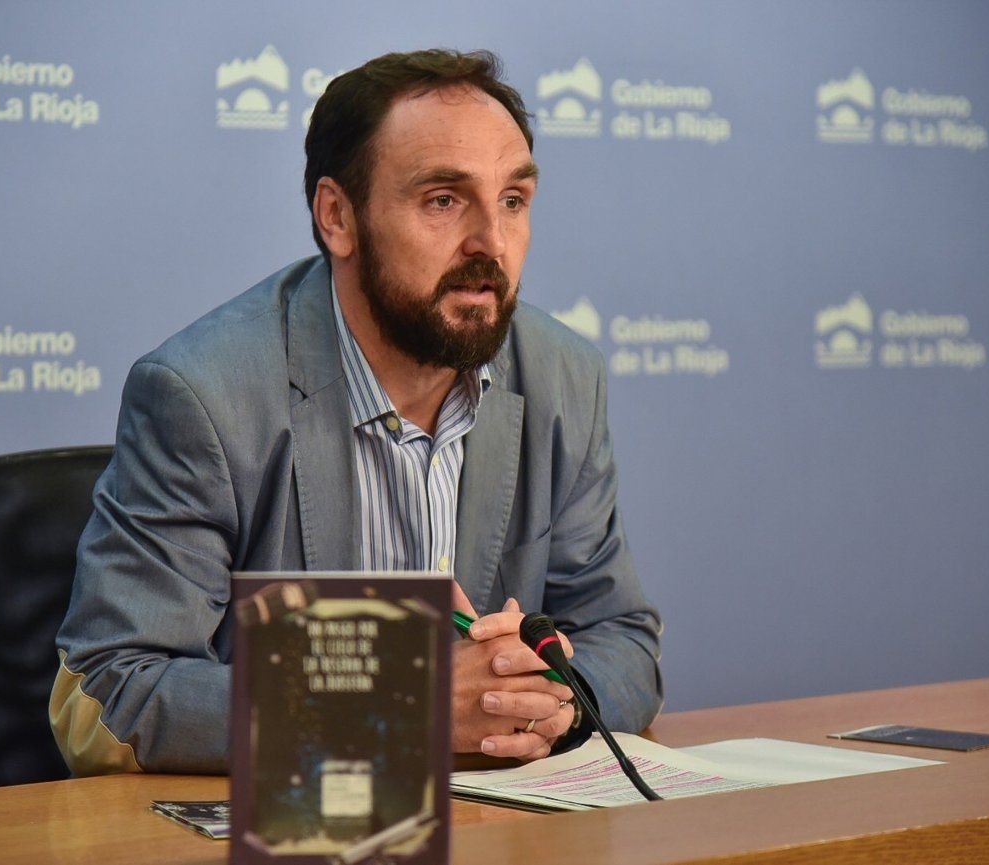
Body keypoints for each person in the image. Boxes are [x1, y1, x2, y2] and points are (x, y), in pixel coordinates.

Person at [51, 48, 662, 775]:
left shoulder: (564, 378)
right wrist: (402, 704)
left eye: (512, 200)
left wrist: (555, 704)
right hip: (290, 819)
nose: (492, 244)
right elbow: (105, 696)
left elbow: (623, 639)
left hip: (494, 821)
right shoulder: (205, 394)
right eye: (443, 200)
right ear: (338, 217)